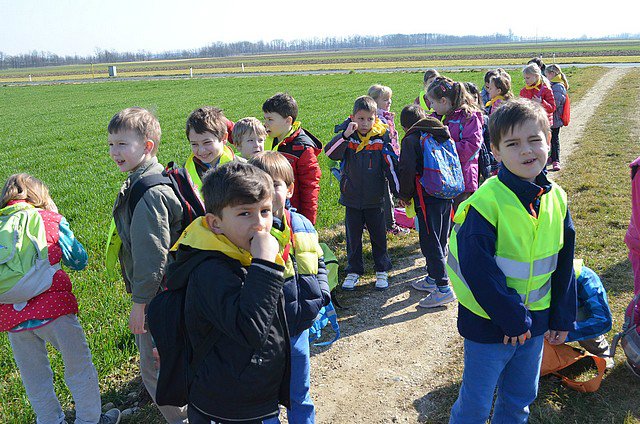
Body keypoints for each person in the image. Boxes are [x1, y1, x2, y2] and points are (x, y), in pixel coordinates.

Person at [447, 99, 577, 423]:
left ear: (549, 140)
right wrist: (512, 318)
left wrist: (561, 316)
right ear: (495, 150)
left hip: (535, 324)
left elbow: (564, 265)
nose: (526, 150)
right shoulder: (485, 204)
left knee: (519, 400)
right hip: (489, 326)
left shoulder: (557, 200)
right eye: (513, 144)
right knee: (476, 406)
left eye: (534, 139)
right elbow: (478, 270)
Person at [167, 161, 290, 424]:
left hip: (252, 394)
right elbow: (250, 329)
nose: (260, 225)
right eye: (245, 214)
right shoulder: (210, 271)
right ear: (215, 224)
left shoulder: (243, 254)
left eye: (265, 211)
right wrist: (264, 266)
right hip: (224, 405)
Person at [0, 174, 121, 424]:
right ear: (39, 195)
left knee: (34, 377)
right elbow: (78, 260)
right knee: (79, 366)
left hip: (12, 315)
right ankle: (90, 419)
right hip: (53, 310)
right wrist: (56, 219)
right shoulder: (49, 219)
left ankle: (50, 420)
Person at [107, 107, 188, 423]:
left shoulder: (148, 192)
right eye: (111, 144)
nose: (114, 152)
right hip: (169, 292)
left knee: (154, 368)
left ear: (148, 146)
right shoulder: (149, 179)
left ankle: (183, 419)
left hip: (159, 296)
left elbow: (151, 256)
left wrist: (140, 305)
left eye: (122, 144)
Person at [249, 151, 331, 424]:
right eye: (260, 184)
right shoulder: (249, 234)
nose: (268, 192)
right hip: (265, 336)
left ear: (290, 189)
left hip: (298, 328)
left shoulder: (303, 224)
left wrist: (321, 293)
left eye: (275, 184)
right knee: (264, 401)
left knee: (300, 394)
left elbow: (319, 259)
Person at [325, 96, 399, 291]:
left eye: (369, 119)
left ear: (376, 119)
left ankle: (381, 269)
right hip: (351, 198)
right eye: (361, 119)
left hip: (375, 198)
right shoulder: (348, 138)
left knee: (378, 236)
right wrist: (345, 135)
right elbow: (330, 153)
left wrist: (398, 191)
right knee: (353, 238)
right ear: (352, 118)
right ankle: (354, 270)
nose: (365, 123)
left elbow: (390, 167)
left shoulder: (381, 138)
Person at [397, 107, 457, 308]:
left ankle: (443, 288)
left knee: (430, 241)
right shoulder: (439, 132)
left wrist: (404, 195)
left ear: (405, 127)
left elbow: (406, 170)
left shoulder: (411, 139)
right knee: (441, 237)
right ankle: (432, 277)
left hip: (426, 198)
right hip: (446, 192)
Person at [262, 93, 322, 224]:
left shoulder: (303, 149)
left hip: (291, 215)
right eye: (264, 119)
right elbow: (242, 137)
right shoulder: (265, 139)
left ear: (288, 121)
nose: (265, 124)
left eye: (270, 119)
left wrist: (307, 222)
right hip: (266, 210)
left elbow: (310, 188)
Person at [427, 76, 484, 211]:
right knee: (446, 217)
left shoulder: (468, 117)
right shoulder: (436, 118)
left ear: (443, 101)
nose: (431, 106)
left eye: (432, 102)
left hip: (463, 180)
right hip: (442, 179)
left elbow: (471, 146)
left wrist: (442, 149)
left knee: (461, 217)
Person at [368, 84, 408, 236]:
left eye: (390, 99)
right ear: (374, 102)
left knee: (383, 194)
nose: (389, 102)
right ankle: (390, 225)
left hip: (388, 158)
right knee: (386, 194)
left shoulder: (384, 116)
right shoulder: (379, 119)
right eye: (385, 99)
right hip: (384, 162)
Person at [185, 106, 237, 192]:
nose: (201, 150)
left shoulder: (242, 168)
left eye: (207, 142)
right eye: (194, 144)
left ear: (224, 138)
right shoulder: (184, 173)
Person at [544, 64, 569, 171]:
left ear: (552, 74)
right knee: (550, 139)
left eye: (547, 75)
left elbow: (556, 103)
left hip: (555, 118)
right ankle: (552, 156)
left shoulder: (558, 86)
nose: (546, 77)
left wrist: (543, 102)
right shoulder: (554, 85)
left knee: (554, 139)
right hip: (551, 117)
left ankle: (556, 160)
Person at [519, 63, 556, 132]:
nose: (525, 80)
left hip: (543, 123)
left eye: (528, 78)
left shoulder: (545, 89)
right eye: (524, 78)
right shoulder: (523, 91)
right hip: (529, 123)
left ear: (536, 76)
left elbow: (552, 108)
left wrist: (541, 102)